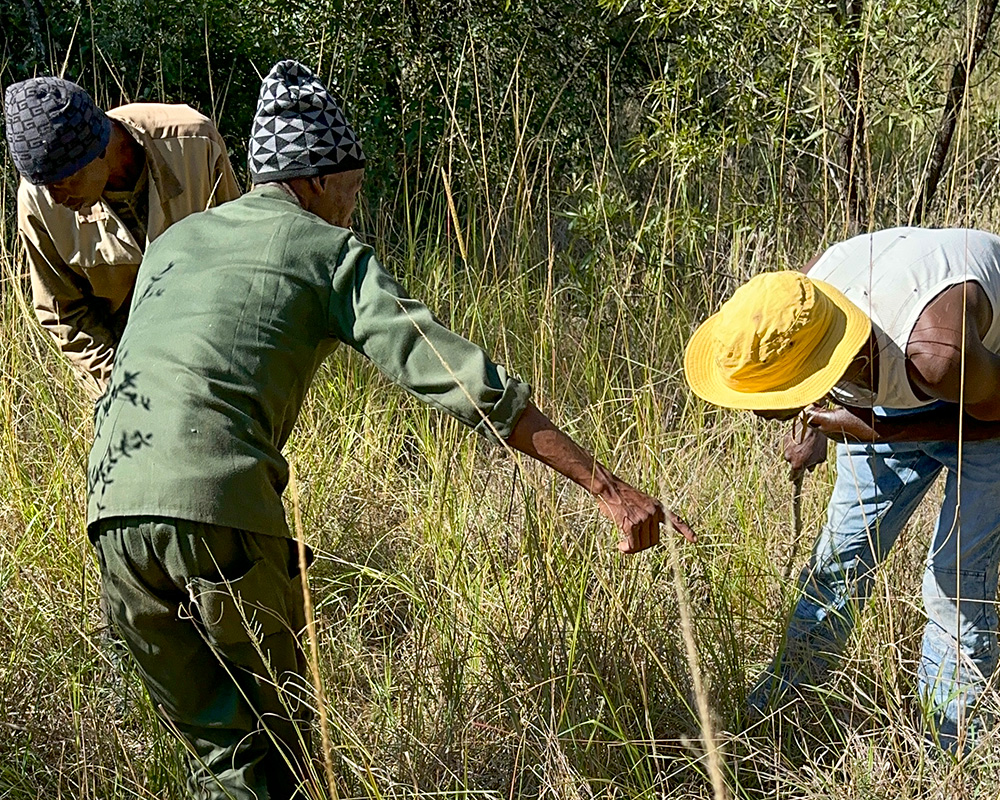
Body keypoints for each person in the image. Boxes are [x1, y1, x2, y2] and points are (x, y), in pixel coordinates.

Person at [86, 60, 695, 799]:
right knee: (281, 745)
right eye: (353, 183)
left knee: (223, 756)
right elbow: (460, 377)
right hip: (215, 508)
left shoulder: (177, 243)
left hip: (110, 512)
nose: (354, 202)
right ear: (313, 181)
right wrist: (606, 486)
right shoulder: (328, 251)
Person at [684, 227, 1000, 751]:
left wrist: (884, 430)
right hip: (892, 397)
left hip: (983, 390)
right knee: (837, 565)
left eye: (765, 396)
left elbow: (995, 417)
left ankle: (949, 751)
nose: (754, 412)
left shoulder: (936, 352)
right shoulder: (801, 298)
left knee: (954, 580)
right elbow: (819, 362)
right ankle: (774, 726)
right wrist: (815, 433)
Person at [4, 76, 240, 396]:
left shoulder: (193, 144)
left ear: (99, 149)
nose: (55, 198)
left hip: (216, 342)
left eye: (63, 181)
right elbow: (65, 313)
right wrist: (123, 386)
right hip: (121, 365)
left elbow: (240, 253)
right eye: (43, 185)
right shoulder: (38, 200)